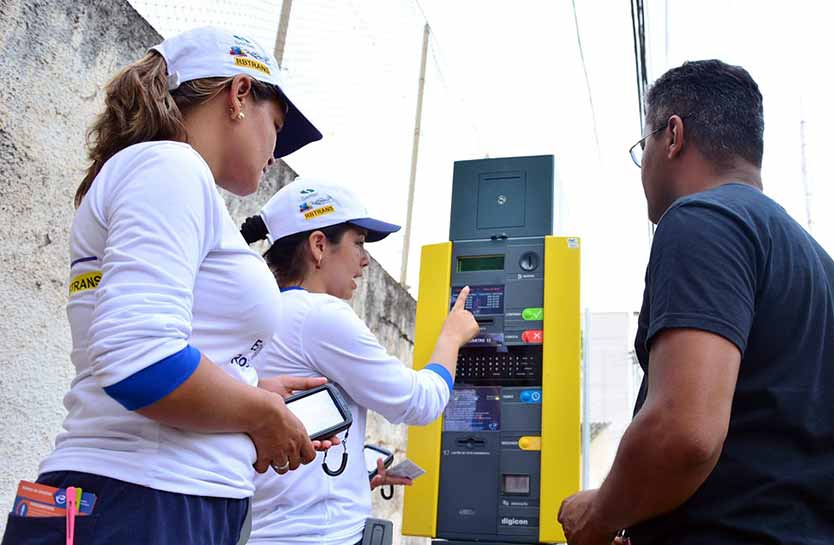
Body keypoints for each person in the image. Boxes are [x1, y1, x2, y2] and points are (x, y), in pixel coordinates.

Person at [2, 27, 336, 545]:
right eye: (278, 125)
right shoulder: (170, 166)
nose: (276, 152)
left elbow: (142, 347)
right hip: (145, 501)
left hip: (144, 498)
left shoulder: (163, 175)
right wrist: (263, 413)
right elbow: (140, 359)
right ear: (240, 94)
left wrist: (247, 387)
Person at [558, 60, 834, 544]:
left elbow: (684, 432)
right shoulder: (826, 271)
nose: (643, 164)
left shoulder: (702, 220)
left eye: (642, 147)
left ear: (673, 136)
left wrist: (599, 514)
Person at [239, 181, 480, 545]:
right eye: (359, 243)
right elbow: (418, 402)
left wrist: (359, 472)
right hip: (318, 535)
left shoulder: (259, 310)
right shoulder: (320, 315)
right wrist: (451, 338)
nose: (365, 260)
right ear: (319, 245)